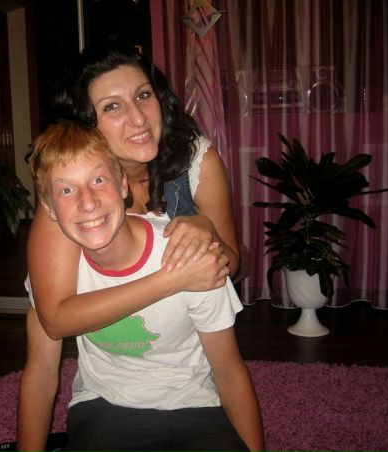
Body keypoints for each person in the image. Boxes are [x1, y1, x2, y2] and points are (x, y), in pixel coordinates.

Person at [18, 122, 264, 452]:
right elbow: (40, 375)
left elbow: (229, 373)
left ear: (123, 184)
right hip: (104, 406)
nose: (87, 202)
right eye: (66, 190)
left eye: (98, 180)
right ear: (48, 208)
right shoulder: (55, 276)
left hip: (194, 404)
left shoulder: (189, 256)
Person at [26, 43, 240, 341]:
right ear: (84, 123)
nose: (139, 118)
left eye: (143, 95)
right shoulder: (72, 190)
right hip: (117, 343)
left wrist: (208, 231)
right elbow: (54, 319)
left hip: (190, 335)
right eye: (111, 106)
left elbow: (232, 265)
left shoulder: (197, 162)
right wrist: (172, 280)